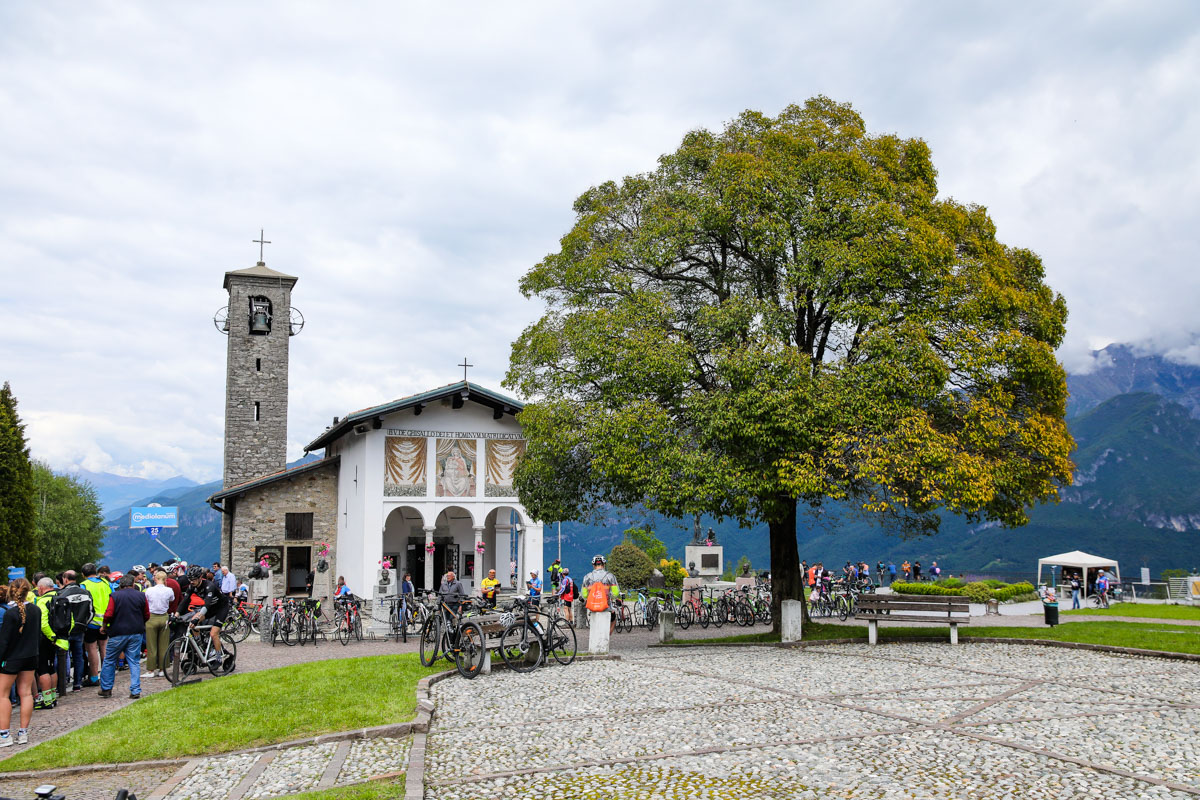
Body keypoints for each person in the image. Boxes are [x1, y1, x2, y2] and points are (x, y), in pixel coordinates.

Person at [0, 580, 40, 747]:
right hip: (30, 655)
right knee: (26, 694)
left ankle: (4, 734)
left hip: (12, 658)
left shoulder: (10, 614)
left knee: (3, 694)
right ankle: (23, 732)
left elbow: (5, 641)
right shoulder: (36, 610)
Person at [99, 575, 149, 699]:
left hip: (117, 632)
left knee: (109, 659)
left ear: (120, 584)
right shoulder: (141, 596)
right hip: (136, 631)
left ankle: (106, 688)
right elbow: (147, 614)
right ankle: (135, 689)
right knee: (134, 661)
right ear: (133, 584)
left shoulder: (115, 596)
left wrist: (104, 626)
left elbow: (108, 614)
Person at [179, 565, 231, 669]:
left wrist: (198, 617)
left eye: (193, 580)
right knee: (193, 623)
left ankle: (218, 658)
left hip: (221, 608)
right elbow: (184, 601)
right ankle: (201, 647)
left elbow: (206, 604)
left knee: (213, 633)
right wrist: (176, 615)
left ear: (200, 578)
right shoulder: (192, 586)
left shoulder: (209, 586)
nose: (191, 582)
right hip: (211, 607)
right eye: (190, 580)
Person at [32, 578, 68, 710]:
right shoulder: (61, 598)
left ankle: (46, 700)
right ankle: (53, 697)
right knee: (52, 667)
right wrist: (61, 637)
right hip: (59, 639)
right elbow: (71, 620)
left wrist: (51, 636)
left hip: (45, 639)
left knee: (43, 669)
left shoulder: (42, 601)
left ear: (41, 588)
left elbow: (43, 623)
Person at [80, 562, 112, 687]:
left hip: (91, 622)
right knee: (104, 647)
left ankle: (94, 677)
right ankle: (106, 675)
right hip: (106, 621)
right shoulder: (105, 583)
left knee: (92, 649)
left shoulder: (84, 585)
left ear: (83, 574)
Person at [144, 571, 175, 678]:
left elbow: (146, 602)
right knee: (164, 644)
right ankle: (163, 669)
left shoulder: (149, 590)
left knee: (151, 645)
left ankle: (151, 670)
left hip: (152, 617)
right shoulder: (169, 590)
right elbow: (172, 599)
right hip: (164, 617)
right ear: (165, 579)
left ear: (155, 579)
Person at [581, 555, 618, 636]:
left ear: (593, 565)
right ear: (604, 564)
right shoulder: (610, 576)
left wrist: (590, 597)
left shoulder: (587, 577)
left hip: (593, 607)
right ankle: (606, 636)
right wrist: (610, 598)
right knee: (613, 619)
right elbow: (615, 593)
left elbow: (584, 594)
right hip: (606, 607)